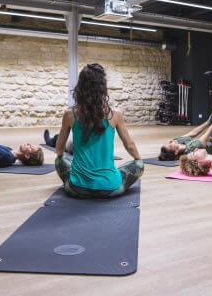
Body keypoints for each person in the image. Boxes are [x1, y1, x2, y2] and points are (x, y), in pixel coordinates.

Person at [54, 63, 144, 198]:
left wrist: (64, 159)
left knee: (59, 161)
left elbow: (59, 150)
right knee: (138, 165)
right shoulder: (115, 115)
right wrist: (138, 160)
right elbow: (130, 146)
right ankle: (106, 178)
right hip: (109, 189)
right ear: (103, 88)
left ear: (80, 87)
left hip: (77, 189)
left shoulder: (69, 114)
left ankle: (81, 180)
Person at [159, 71, 212, 161]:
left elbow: (193, 133)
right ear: (176, 152)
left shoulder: (177, 142)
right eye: (169, 145)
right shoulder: (191, 150)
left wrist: (207, 122)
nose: (170, 141)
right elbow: (206, 135)